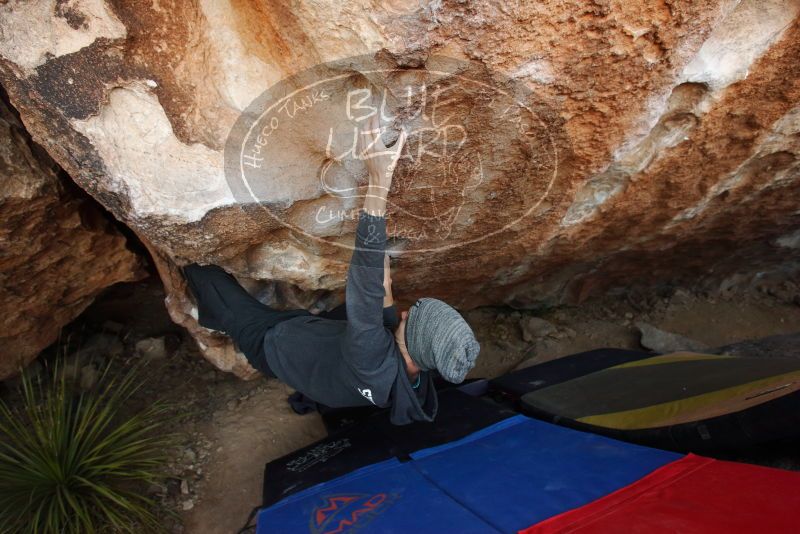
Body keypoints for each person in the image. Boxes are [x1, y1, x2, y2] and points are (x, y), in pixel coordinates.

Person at [183, 113, 480, 425]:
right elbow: (381, 290)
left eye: (412, 319)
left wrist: (379, 181)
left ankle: (189, 270)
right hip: (324, 365)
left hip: (272, 345)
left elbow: (366, 285)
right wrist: (382, 258)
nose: (405, 314)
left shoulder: (372, 360)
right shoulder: (412, 374)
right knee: (356, 316)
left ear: (411, 348)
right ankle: (310, 384)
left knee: (212, 283)